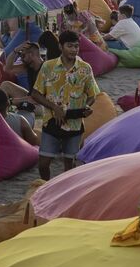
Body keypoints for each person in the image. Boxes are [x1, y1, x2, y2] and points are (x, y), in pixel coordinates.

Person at [32, 29, 99, 180]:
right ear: (61, 47)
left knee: (69, 166)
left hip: (74, 124)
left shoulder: (85, 68)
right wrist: (54, 108)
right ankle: (45, 189)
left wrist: (87, 106)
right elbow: (35, 94)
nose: (74, 50)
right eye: (70, 46)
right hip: (52, 121)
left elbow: (92, 95)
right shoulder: (48, 67)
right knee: (43, 163)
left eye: (76, 46)